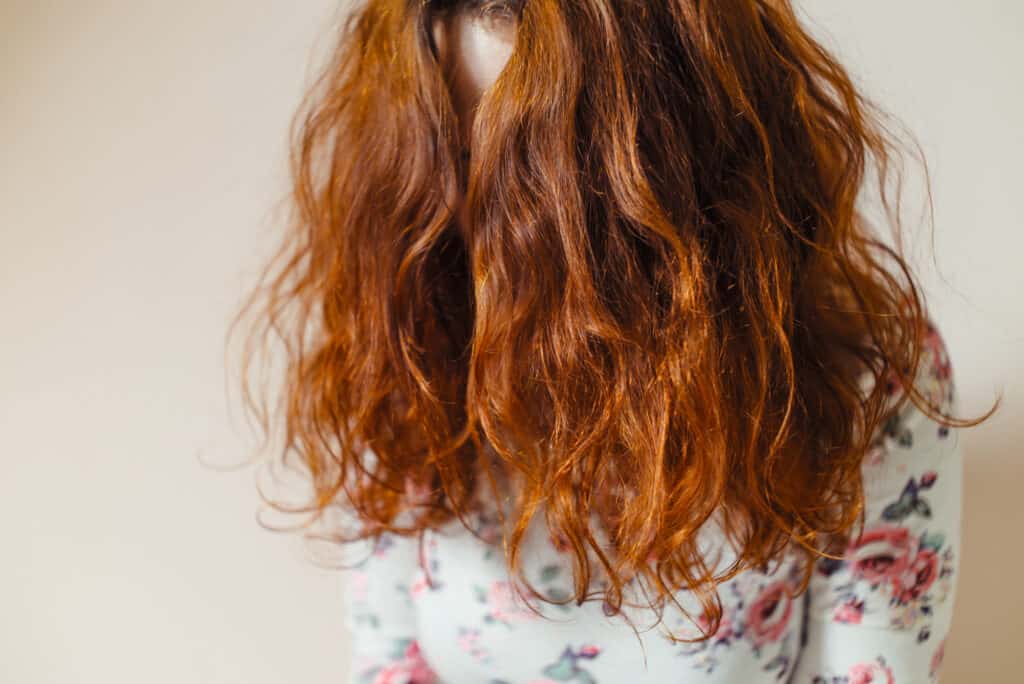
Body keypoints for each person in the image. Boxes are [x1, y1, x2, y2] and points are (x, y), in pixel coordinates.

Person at [229, 1, 998, 681]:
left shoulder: (863, 378)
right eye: (462, 159)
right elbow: (390, 658)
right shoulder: (408, 347)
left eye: (538, 166)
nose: (492, 218)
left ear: (675, 165)